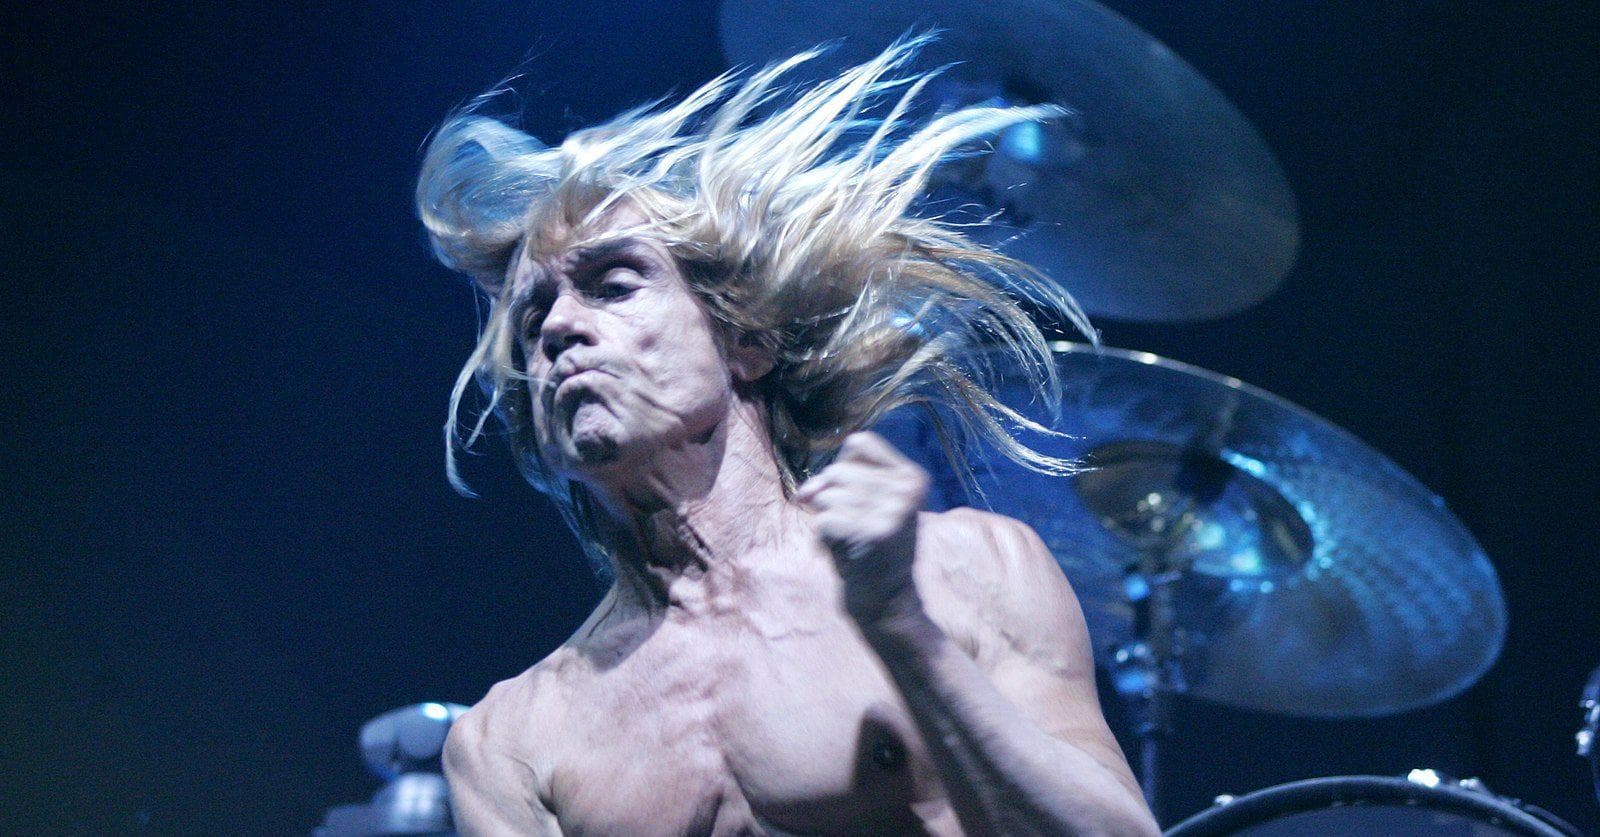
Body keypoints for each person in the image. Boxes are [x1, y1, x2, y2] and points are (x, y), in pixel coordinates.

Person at [416, 38, 1158, 836]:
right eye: (533, 318)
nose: (560, 326)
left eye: (613, 285)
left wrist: (902, 627)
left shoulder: (971, 569)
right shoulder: (510, 743)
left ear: (747, 342)